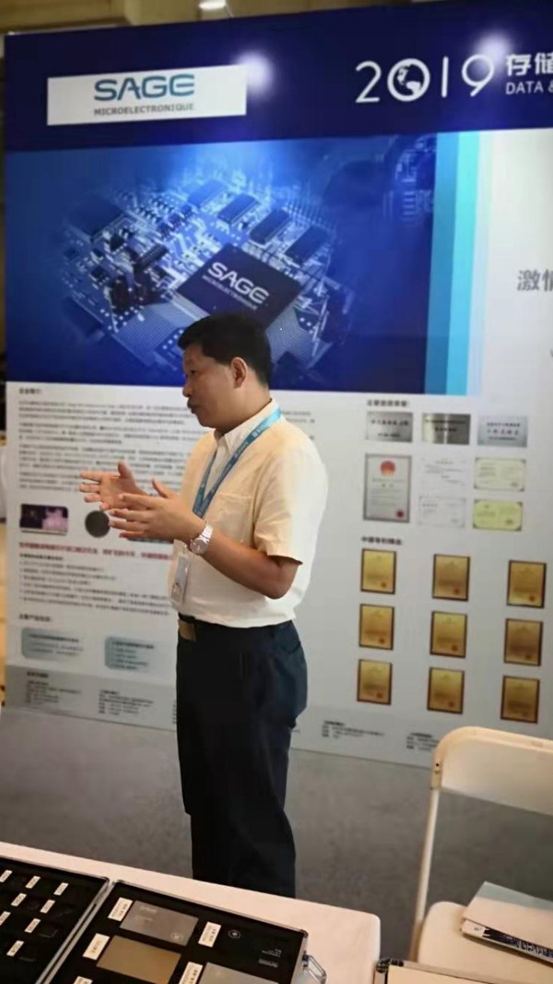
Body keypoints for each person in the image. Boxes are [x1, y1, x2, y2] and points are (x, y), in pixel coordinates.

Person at [81, 313, 327, 897]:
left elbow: (275, 576)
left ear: (237, 371)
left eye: (195, 374)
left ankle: (263, 937)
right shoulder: (210, 447)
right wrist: (148, 510)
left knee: (252, 827)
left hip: (250, 658)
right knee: (210, 810)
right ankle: (212, 924)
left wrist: (189, 529)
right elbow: (207, 536)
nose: (185, 389)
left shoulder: (288, 454)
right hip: (199, 652)